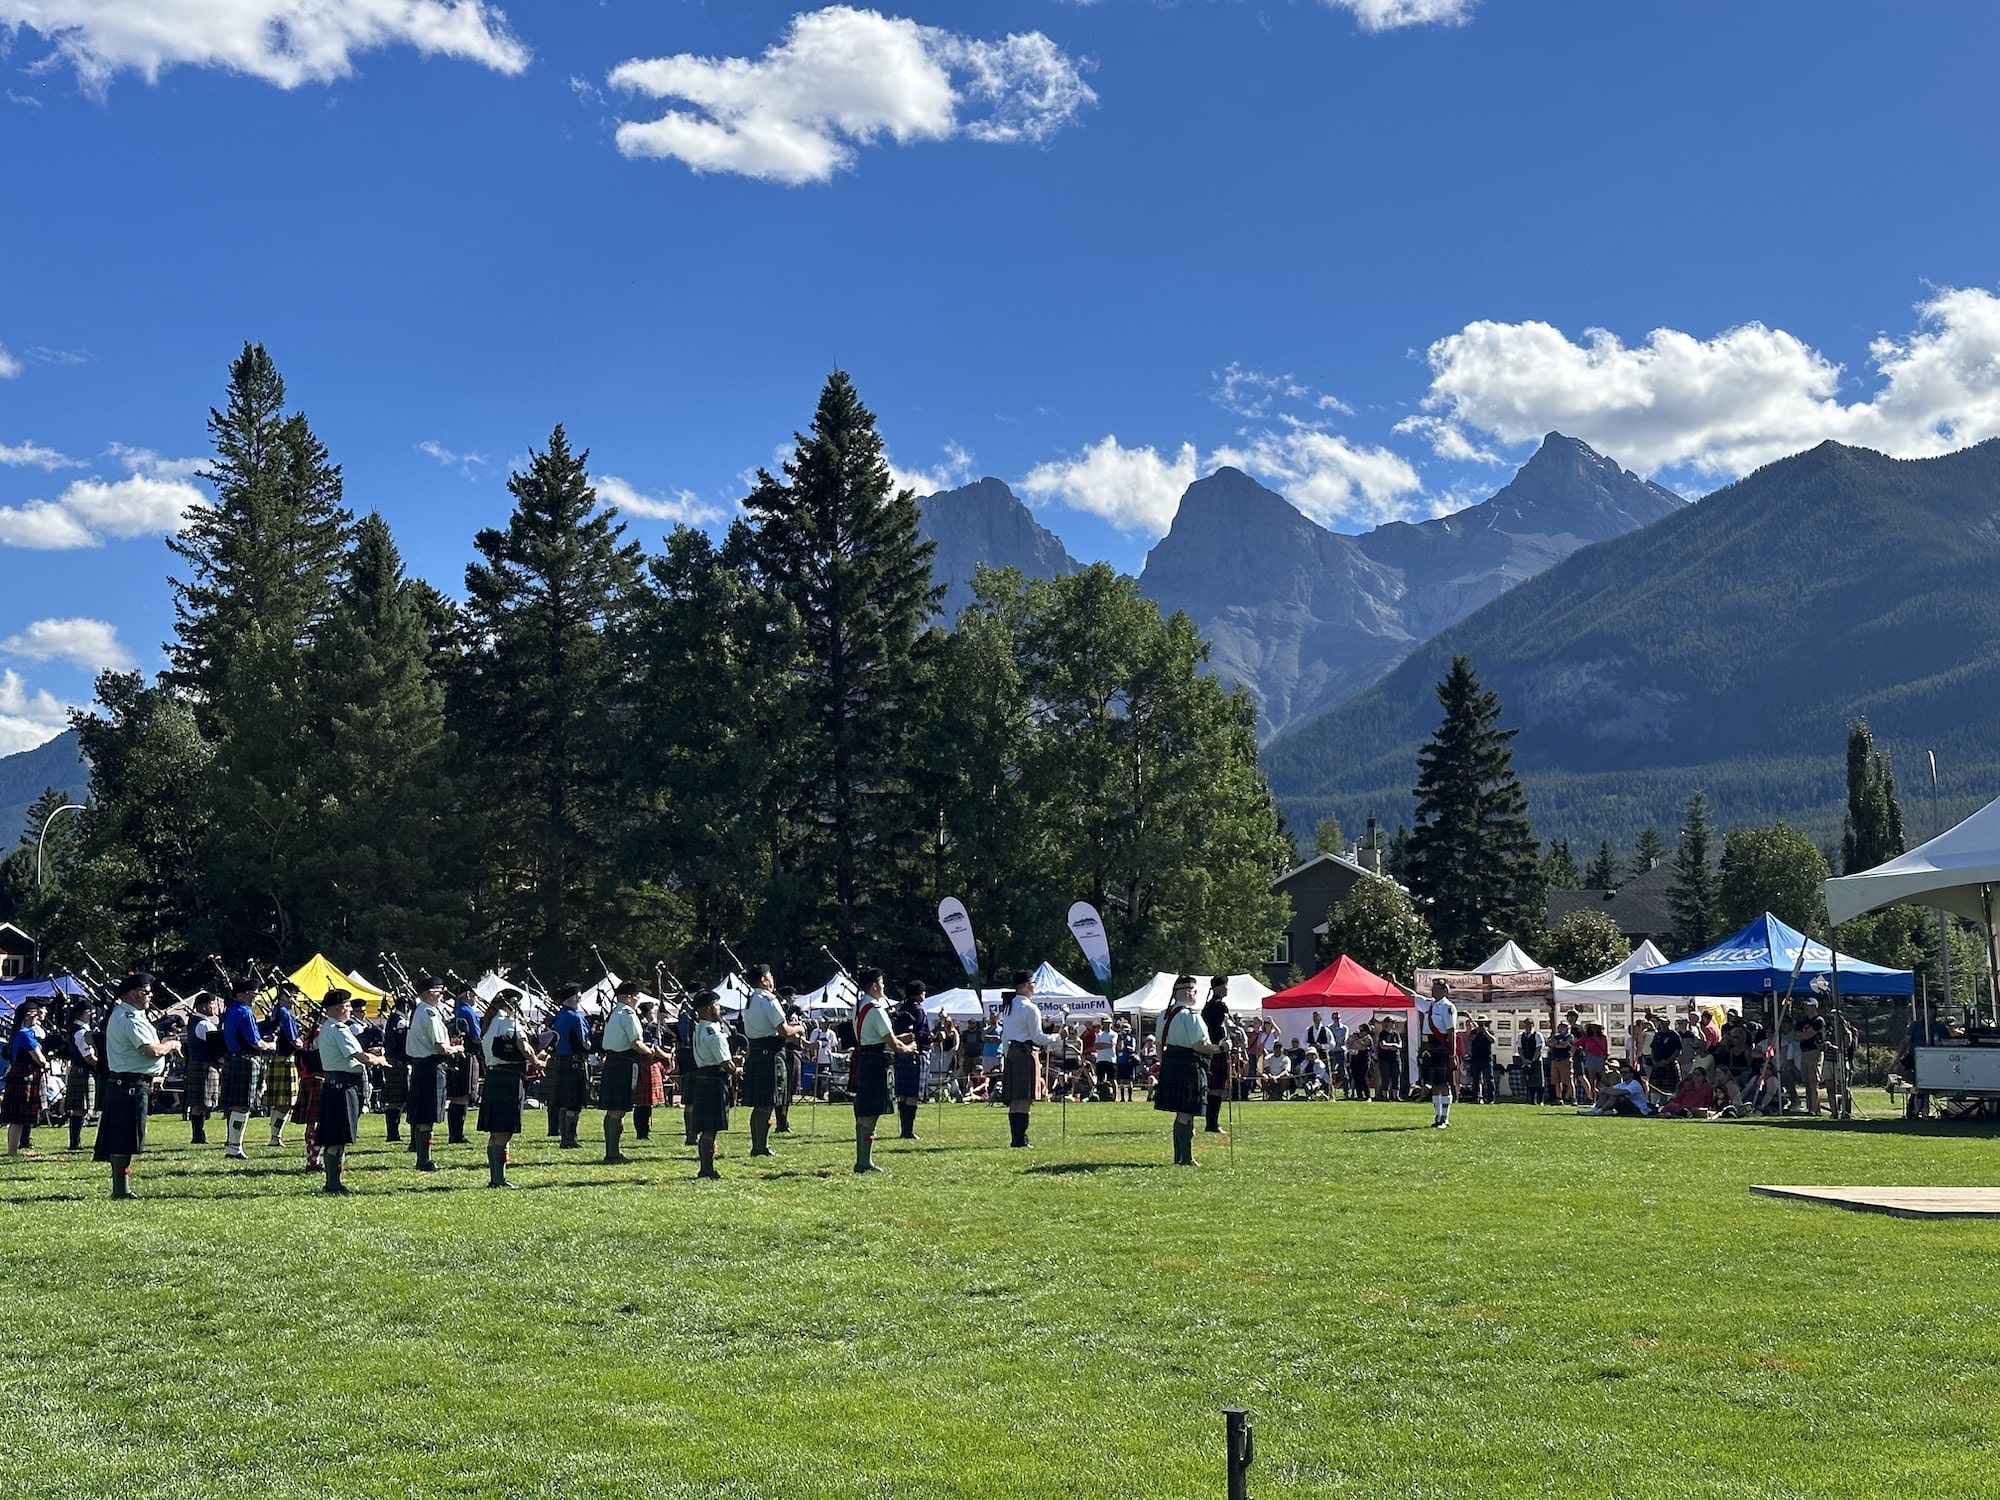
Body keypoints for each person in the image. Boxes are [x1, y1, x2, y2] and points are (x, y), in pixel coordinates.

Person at [95, 973, 180, 1199]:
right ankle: (120, 1190)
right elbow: (149, 1050)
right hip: (129, 1085)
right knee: (123, 1141)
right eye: (146, 991)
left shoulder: (129, 1015)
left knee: (123, 1140)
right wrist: (171, 1044)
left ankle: (121, 1188)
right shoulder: (129, 1018)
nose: (150, 995)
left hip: (130, 1083)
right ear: (133, 993)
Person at [315, 989, 388, 1195]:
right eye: (347, 1006)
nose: (350, 1010)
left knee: (335, 1137)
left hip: (335, 1085)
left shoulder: (329, 1028)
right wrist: (380, 1060)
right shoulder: (339, 1029)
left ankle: (333, 1181)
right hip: (342, 1087)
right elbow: (360, 1057)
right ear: (338, 1008)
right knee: (337, 1137)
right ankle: (333, 1184)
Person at [850, 968, 915, 1173]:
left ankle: (862, 1159)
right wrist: (909, 1048)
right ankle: (864, 1162)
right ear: (875, 985)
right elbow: (893, 1045)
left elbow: (874, 1035)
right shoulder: (877, 1009)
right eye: (882, 982)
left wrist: (899, 1038)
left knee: (863, 1112)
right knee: (871, 1112)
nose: (884, 986)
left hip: (864, 1058)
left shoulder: (859, 1007)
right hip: (877, 1061)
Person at [478, 990, 544, 1188]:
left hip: (493, 1076)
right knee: (504, 1131)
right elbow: (524, 1047)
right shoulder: (510, 1023)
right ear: (512, 1005)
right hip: (509, 1078)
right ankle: (499, 1179)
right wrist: (536, 1061)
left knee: (495, 1131)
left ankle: (495, 1177)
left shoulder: (489, 1025)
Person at [599, 980, 664, 1164]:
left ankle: (611, 1150)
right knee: (618, 1110)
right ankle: (613, 1153)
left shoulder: (614, 1013)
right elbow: (635, 1042)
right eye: (636, 997)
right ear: (628, 998)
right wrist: (649, 1051)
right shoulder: (629, 1014)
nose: (637, 1000)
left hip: (612, 1061)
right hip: (625, 1062)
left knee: (612, 1110)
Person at [1154, 976, 1217, 1166]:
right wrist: (1220, 1048)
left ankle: (1179, 1157)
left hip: (1170, 1062)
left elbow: (1158, 1044)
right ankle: (1186, 1159)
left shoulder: (1163, 1015)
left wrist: (1165, 1064)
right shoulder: (1191, 1016)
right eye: (1195, 992)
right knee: (1186, 1112)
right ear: (1188, 993)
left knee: (1180, 1113)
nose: (1196, 996)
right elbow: (1199, 1045)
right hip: (1188, 1064)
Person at [404, 974, 461, 1173]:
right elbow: (440, 1048)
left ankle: (422, 1157)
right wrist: (457, 1049)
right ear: (430, 994)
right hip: (431, 1066)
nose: (442, 995)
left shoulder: (419, 1011)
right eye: (440, 992)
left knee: (422, 1116)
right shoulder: (430, 1013)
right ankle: (424, 1160)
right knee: (427, 1115)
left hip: (421, 1066)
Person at [219, 975, 274, 1160]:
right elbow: (255, 1042)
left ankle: (233, 1146)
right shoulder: (245, 1011)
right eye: (254, 994)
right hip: (247, 1059)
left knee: (237, 1105)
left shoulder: (231, 1010)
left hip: (234, 1058)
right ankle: (234, 1148)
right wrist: (270, 1045)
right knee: (242, 1106)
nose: (256, 997)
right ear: (243, 994)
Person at [688, 990, 737, 1179]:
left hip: (702, 1079)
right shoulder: (714, 1033)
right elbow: (726, 1063)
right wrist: (737, 1070)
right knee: (710, 1129)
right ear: (709, 1008)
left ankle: (705, 1167)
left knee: (707, 1128)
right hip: (714, 1080)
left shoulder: (699, 1028)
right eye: (717, 1006)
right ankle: (707, 1169)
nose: (720, 1010)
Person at [998, 969, 1049, 1150]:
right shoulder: (1030, 1007)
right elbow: (1037, 1037)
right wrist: (1057, 1038)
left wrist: (1005, 1055)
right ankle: (1021, 1139)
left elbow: (1005, 1036)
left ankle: (1016, 1138)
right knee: (1025, 1097)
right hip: (1026, 1053)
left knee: (1015, 1098)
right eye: (1033, 983)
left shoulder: (1008, 1007)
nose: (1034, 987)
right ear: (1027, 984)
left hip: (1012, 1052)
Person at [3, 997, 51, 1157]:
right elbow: (40, 1059)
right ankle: (12, 1151)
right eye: (35, 1015)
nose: (38, 1016)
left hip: (20, 1072)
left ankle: (13, 1150)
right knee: (17, 1118)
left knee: (17, 1118)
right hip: (25, 1074)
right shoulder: (25, 1034)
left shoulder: (20, 1032)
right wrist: (46, 1063)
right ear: (28, 1016)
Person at [545, 983, 591, 1150]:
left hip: (562, 1060)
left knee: (564, 1101)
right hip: (575, 1061)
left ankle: (565, 1135)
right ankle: (569, 1139)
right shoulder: (575, 1017)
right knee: (574, 1102)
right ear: (574, 997)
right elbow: (585, 1043)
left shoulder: (560, 1015)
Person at [262, 986, 304, 1148]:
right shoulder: (285, 1014)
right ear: (284, 996)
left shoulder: (275, 1011)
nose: (295, 1000)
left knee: (278, 1102)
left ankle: (274, 1136)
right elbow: (295, 1041)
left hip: (275, 1059)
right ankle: (275, 1137)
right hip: (285, 1059)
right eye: (292, 996)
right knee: (285, 1102)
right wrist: (303, 1042)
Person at [890, 977, 931, 1141]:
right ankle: (908, 1130)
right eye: (923, 992)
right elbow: (921, 1034)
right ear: (918, 994)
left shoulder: (901, 1008)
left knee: (903, 1094)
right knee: (913, 1093)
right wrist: (935, 1037)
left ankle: (904, 1129)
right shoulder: (918, 1010)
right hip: (917, 1053)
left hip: (902, 1053)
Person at [182, 991, 222, 1144]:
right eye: (212, 1004)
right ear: (204, 1006)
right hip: (204, 1065)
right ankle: (198, 1137)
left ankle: (199, 1135)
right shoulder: (203, 1024)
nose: (214, 1008)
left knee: (201, 1104)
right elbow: (215, 1044)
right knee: (201, 1104)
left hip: (199, 1064)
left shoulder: (195, 1022)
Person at [445, 986, 483, 1145]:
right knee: (463, 1096)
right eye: (475, 995)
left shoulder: (457, 1010)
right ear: (468, 994)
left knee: (456, 1097)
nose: (477, 998)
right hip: (467, 1055)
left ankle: (454, 1134)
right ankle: (457, 1135)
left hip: (456, 1055)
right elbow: (476, 1037)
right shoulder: (468, 1011)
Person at [1417, 980, 1457, 1127]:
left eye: (1437, 989)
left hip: (1442, 1047)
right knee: (1434, 1084)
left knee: (1444, 1084)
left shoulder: (1448, 1007)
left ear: (1445, 991)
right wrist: (1395, 984)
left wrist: (1452, 1055)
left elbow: (1451, 1032)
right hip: (1429, 1047)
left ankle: (1445, 1117)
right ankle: (1437, 1116)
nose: (1433, 991)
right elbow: (1412, 996)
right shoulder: (1429, 1004)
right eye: (1433, 989)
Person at [62, 1003, 98, 1153]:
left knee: (81, 1109)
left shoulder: (79, 1030)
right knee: (80, 1109)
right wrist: (103, 1066)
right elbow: (89, 1057)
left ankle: (75, 1142)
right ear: (85, 1013)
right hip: (83, 1070)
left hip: (80, 1070)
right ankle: (74, 1143)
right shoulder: (81, 1032)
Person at [378, 991, 412, 1145]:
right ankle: (392, 1133)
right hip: (397, 1062)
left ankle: (393, 1132)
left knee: (397, 1100)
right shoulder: (399, 1021)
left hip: (395, 1061)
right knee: (395, 1100)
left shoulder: (394, 1019)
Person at [1200, 979, 1232, 1133]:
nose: (1227, 989)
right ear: (1218, 987)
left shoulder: (1207, 1006)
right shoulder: (1219, 1006)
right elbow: (1222, 1028)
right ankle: (1212, 1124)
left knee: (1214, 1087)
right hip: (1218, 1048)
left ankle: (1212, 1122)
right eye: (1225, 986)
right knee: (1216, 1087)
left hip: (1210, 1049)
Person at [633, 998, 666, 1140]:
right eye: (653, 1011)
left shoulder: (642, 1025)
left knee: (643, 1103)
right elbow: (653, 1048)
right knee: (644, 1103)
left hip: (641, 1064)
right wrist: (667, 1056)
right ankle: (643, 1132)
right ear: (648, 1013)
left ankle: (643, 1131)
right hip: (647, 1064)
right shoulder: (650, 1028)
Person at [777, 987, 807, 1134]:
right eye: (792, 998)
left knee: (791, 1088)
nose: (794, 1001)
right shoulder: (782, 1013)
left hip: (796, 1051)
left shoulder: (795, 1014)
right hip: (786, 1050)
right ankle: (781, 1121)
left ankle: (784, 1119)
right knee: (784, 1088)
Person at [1581, 1061, 1650, 1117]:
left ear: (1631, 1074)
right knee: (1607, 1094)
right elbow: (1607, 1090)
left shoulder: (1635, 1083)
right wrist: (1605, 1090)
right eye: (1622, 1072)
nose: (1623, 1074)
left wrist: (1605, 1090)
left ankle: (1599, 1112)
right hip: (1626, 1107)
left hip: (1638, 1110)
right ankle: (1595, 1110)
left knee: (1616, 1096)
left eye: (1625, 1073)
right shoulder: (1622, 1084)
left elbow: (1621, 1092)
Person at [1794, 998, 1827, 1116]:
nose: (1806, 1008)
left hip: (1814, 1052)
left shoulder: (1818, 1021)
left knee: (1813, 1082)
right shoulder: (1802, 1022)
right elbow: (1796, 1036)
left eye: (1809, 1005)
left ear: (1815, 1007)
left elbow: (1808, 1035)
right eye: (1805, 1006)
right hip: (1804, 1052)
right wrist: (1803, 1035)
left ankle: (1813, 1110)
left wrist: (1803, 1035)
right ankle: (1813, 1108)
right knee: (1807, 1082)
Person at [1465, 1019, 1496, 1105]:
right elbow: (1470, 1039)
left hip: (1487, 1058)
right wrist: (1476, 1032)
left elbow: (1492, 1040)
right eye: (1480, 1024)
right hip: (1476, 1059)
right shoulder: (1474, 1031)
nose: (1481, 1025)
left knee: (1489, 1079)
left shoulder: (1490, 1031)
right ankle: (1475, 1098)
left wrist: (1485, 1032)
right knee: (1475, 1080)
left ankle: (1491, 1098)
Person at [1515, 1016, 1544, 1105]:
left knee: (1539, 1082)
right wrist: (1524, 1060)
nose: (1527, 1026)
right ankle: (1531, 1100)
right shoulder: (1520, 1035)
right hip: (1526, 1060)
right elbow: (1519, 1048)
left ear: (1532, 1025)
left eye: (1529, 1024)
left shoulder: (1537, 1034)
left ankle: (1540, 1101)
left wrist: (1533, 1060)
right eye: (1526, 1024)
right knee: (1529, 1082)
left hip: (1536, 1060)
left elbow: (1539, 1048)